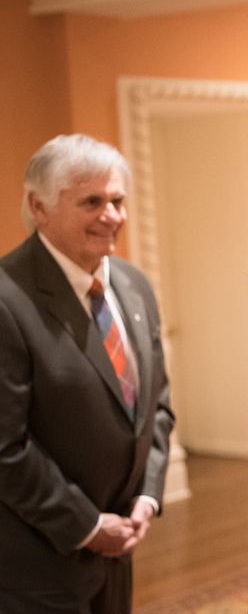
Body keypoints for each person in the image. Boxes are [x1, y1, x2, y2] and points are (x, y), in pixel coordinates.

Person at [0, 134, 175, 613]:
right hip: (37, 564)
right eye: (91, 201)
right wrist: (87, 526)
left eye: (117, 200)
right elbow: (5, 447)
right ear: (39, 207)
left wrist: (147, 495)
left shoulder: (134, 284)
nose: (112, 215)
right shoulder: (6, 299)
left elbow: (155, 406)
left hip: (120, 551)